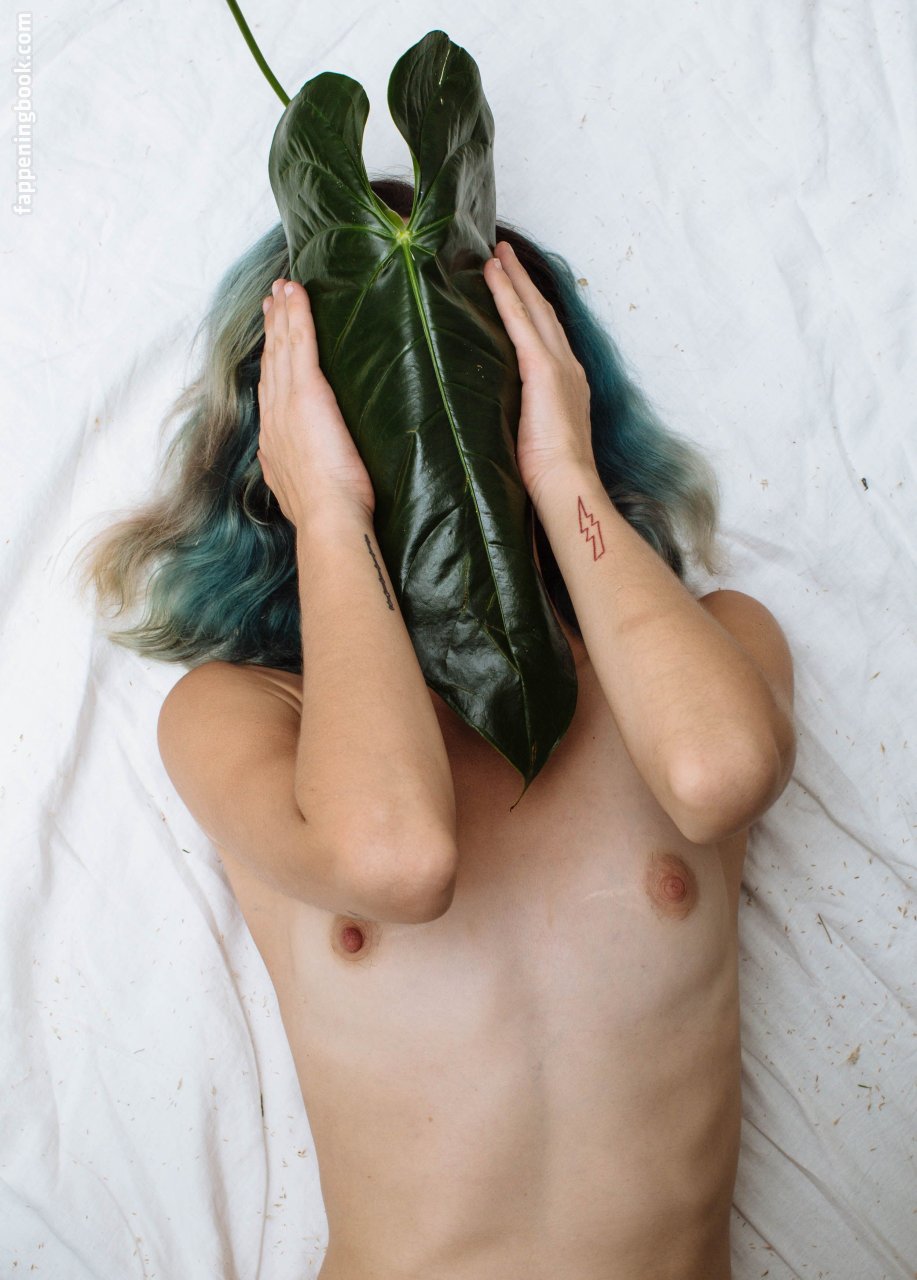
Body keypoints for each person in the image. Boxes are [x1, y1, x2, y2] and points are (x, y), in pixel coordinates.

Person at [79, 179, 796, 1279]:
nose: (424, 435)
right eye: (367, 396)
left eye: (463, 375)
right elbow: (396, 858)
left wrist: (561, 470)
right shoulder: (244, 714)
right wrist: (330, 513)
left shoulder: (703, 649)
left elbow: (718, 774)